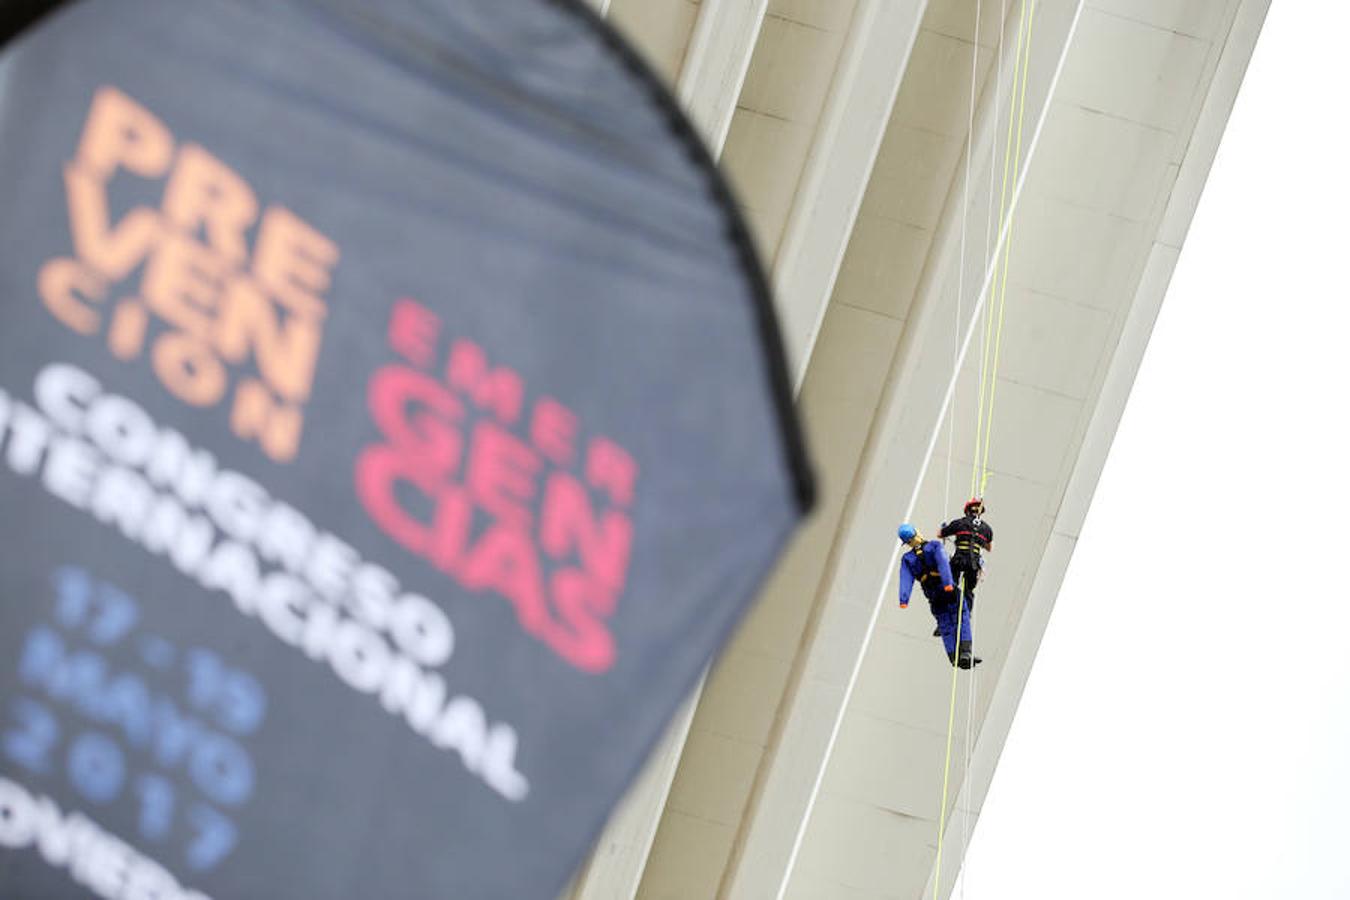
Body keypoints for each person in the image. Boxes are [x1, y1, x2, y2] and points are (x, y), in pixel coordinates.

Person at [897, 524, 977, 669]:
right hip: (946, 589)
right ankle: (965, 651)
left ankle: (953, 657)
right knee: (961, 614)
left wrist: (904, 600)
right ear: (917, 532)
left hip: (933, 595)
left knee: (945, 623)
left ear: (907, 542)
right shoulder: (934, 546)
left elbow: (905, 580)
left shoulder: (907, 559)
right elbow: (942, 563)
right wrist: (948, 583)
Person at [939, 497, 993, 613]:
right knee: (968, 591)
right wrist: (979, 540)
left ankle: (950, 612)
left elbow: (939, 534)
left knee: (951, 585)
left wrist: (944, 528)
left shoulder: (959, 523)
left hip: (958, 560)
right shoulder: (987, 529)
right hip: (974, 563)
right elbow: (989, 548)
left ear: (967, 511)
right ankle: (966, 616)